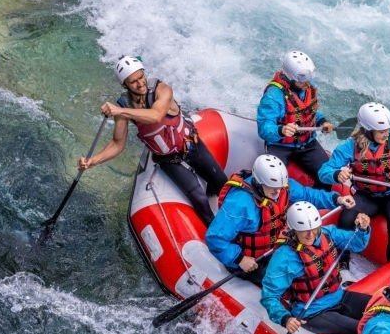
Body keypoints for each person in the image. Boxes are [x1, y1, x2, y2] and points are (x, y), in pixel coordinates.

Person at [79, 56, 226, 225]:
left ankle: (219, 203)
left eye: (141, 77)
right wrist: (92, 161)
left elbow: (156, 116)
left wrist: (120, 111)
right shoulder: (124, 105)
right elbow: (117, 144)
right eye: (133, 81)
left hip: (190, 144)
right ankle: (216, 234)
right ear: (124, 85)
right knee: (198, 199)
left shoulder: (162, 90)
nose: (140, 83)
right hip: (168, 159)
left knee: (221, 183)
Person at [206, 155, 354, 285]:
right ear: (258, 182)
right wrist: (239, 259)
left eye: (279, 187)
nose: (277, 192)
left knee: (313, 265)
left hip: (275, 246)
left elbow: (308, 195)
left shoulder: (282, 186)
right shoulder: (239, 204)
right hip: (250, 260)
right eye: (272, 187)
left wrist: (336, 199)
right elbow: (215, 238)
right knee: (290, 281)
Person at [318, 102, 390, 261]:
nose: (386, 134)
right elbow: (324, 172)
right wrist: (336, 175)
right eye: (382, 131)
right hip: (367, 196)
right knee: (347, 218)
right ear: (368, 131)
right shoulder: (349, 147)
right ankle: (342, 260)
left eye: (387, 130)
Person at [261, 202, 372, 334]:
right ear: (293, 229)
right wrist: (285, 318)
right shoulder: (284, 257)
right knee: (368, 331)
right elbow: (269, 295)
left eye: (314, 228)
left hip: (339, 296)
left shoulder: (327, 233)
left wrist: (362, 229)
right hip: (312, 313)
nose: (310, 234)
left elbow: (357, 244)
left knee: (381, 309)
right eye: (304, 230)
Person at [256, 50, 334, 188]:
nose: (307, 82)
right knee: (275, 181)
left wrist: (323, 121)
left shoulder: (306, 87)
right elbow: (264, 128)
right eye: (302, 78)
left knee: (326, 176)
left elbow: (309, 111)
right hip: (281, 145)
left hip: (307, 144)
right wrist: (281, 130)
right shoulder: (273, 96)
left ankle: (318, 205)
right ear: (290, 77)